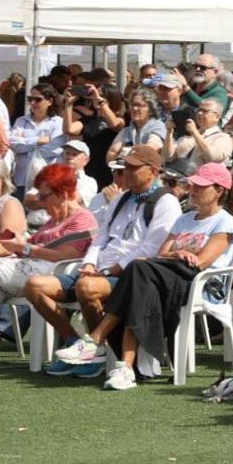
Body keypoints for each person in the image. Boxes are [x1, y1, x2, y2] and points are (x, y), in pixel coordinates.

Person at [59, 163, 233, 391]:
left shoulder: (225, 222)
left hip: (197, 283)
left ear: (219, 190)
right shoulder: (185, 219)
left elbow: (201, 262)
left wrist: (178, 254)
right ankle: (125, 367)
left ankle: (97, 340)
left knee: (137, 270)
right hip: (166, 277)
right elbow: (163, 252)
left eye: (201, 186)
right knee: (139, 283)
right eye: (193, 185)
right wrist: (177, 253)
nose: (193, 189)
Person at [30, 145, 180, 370]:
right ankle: (77, 343)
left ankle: (96, 350)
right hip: (97, 270)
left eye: (132, 168)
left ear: (153, 171)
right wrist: (89, 262)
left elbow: (151, 249)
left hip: (129, 276)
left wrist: (110, 270)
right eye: (123, 168)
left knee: (87, 287)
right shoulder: (120, 200)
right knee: (34, 285)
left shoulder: (166, 202)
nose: (125, 173)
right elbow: (100, 238)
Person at [0, 163, 95, 328]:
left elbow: (65, 256)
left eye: (43, 197)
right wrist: (16, 244)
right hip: (26, 271)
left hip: (51, 276)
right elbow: (27, 247)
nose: (39, 202)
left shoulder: (82, 219)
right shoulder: (53, 220)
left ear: (63, 194)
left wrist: (23, 248)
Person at [10, 85, 62, 188]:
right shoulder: (21, 120)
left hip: (46, 181)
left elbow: (54, 150)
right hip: (20, 180)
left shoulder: (58, 122)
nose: (32, 103)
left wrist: (24, 144)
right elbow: (12, 143)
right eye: (30, 99)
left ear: (49, 102)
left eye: (38, 99)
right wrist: (38, 141)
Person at [164, 96, 233, 168]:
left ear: (217, 116)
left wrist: (195, 132)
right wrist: (169, 133)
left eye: (205, 111)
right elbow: (168, 158)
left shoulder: (223, 137)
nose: (199, 113)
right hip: (179, 177)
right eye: (199, 110)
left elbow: (213, 158)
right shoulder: (188, 136)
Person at [106, 89, 165, 167]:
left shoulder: (157, 126)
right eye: (133, 105)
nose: (134, 108)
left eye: (139, 105)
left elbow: (150, 148)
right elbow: (112, 153)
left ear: (150, 109)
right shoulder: (127, 131)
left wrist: (125, 151)